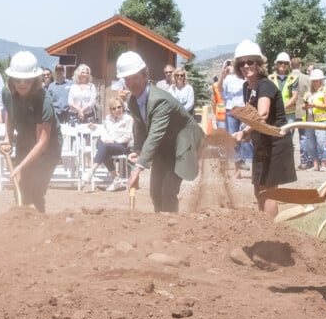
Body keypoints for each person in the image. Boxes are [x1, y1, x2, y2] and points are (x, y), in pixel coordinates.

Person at [119, 51, 202, 213]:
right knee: (155, 191)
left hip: (184, 144)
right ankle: (160, 228)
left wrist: (138, 169)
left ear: (145, 75)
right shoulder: (132, 100)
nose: (131, 83)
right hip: (165, 146)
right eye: (127, 79)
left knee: (168, 191)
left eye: (135, 77)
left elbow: (155, 134)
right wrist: (138, 149)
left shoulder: (159, 100)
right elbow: (140, 126)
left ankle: (171, 231)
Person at [232, 41, 296, 217]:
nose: (246, 66)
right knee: (258, 188)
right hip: (261, 143)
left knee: (268, 191)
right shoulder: (247, 86)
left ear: (258, 64)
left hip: (275, 143)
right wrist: (246, 133)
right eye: (242, 63)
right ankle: (263, 228)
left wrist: (245, 131)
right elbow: (250, 114)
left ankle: (271, 232)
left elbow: (262, 114)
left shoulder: (265, 85)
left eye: (250, 62)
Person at [0, 51, 60, 211]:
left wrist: (21, 167)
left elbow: (42, 142)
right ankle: (20, 228)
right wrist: (8, 138)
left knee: (35, 188)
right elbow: (10, 114)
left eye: (26, 80)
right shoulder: (7, 93)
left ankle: (39, 228)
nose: (22, 84)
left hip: (48, 147)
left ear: (34, 80)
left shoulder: (44, 101)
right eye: (18, 80)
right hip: (24, 140)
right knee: (19, 187)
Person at [92, 95, 133, 190]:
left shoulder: (128, 119)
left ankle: (92, 170)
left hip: (121, 146)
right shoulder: (108, 118)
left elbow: (127, 136)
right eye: (114, 108)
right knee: (102, 146)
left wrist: (113, 141)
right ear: (111, 110)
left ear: (123, 107)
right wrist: (95, 127)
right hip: (108, 145)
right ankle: (117, 180)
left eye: (119, 107)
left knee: (104, 147)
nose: (117, 110)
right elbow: (104, 131)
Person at [220, 58, 253, 173]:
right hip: (231, 110)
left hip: (243, 110)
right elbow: (221, 91)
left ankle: (245, 159)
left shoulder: (245, 78)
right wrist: (222, 75)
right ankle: (237, 167)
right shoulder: (228, 78)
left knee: (245, 136)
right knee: (233, 138)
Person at [301, 69, 326, 171]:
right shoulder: (308, 93)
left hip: (322, 120)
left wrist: (314, 105)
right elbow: (303, 105)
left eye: (316, 80)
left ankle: (323, 164)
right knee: (311, 144)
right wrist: (305, 106)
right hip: (310, 121)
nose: (314, 83)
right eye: (313, 81)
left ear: (321, 81)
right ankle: (315, 165)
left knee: (321, 142)